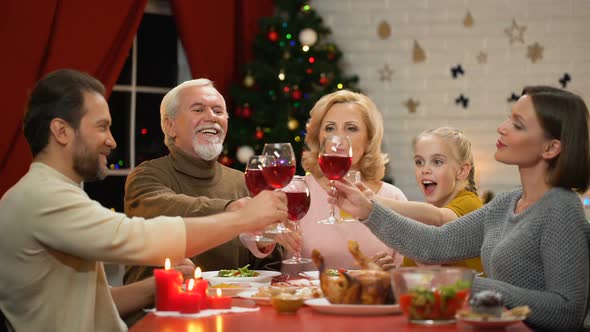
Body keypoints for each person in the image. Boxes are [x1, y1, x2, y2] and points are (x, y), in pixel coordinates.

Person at [0, 69, 288, 332]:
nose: (112, 141)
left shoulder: (50, 192)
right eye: (102, 127)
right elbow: (139, 237)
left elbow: (97, 303)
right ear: (61, 131)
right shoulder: (44, 198)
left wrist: (161, 285)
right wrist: (242, 218)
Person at [330, 86, 590, 330]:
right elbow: (435, 245)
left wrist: (471, 285)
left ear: (551, 147)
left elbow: (568, 312)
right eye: (508, 119)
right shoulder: (506, 203)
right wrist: (368, 211)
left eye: (517, 125)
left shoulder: (561, 208)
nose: (502, 128)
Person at [123, 78, 283, 285]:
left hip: (232, 309)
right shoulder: (146, 176)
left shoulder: (243, 182)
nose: (211, 117)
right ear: (170, 126)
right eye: (198, 110)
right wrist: (234, 210)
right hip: (160, 310)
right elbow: (168, 211)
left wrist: (265, 242)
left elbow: (268, 268)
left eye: (218, 111)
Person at [284, 90, 407, 271]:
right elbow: (255, 240)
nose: (338, 139)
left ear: (369, 139)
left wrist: (379, 277)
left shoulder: (392, 197)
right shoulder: (297, 191)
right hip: (301, 297)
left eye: (351, 128)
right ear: (319, 136)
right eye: (330, 128)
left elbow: (406, 272)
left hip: (372, 298)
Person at [371, 127, 484, 274]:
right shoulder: (424, 218)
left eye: (437, 162)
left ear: (462, 171)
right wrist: (387, 275)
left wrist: (371, 200)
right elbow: (416, 282)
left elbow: (439, 217)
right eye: (419, 162)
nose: (425, 169)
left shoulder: (471, 204)